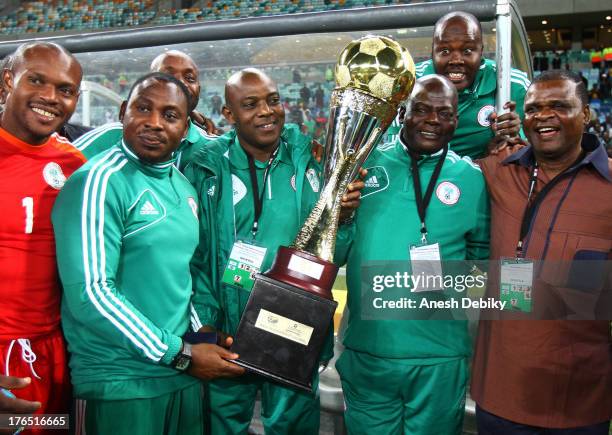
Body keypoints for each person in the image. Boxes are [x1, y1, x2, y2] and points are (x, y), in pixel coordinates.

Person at [52, 73, 244, 435]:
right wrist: (180, 354)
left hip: (177, 375)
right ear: (124, 112)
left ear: (186, 128)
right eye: (143, 108)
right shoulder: (100, 180)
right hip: (120, 381)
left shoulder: (183, 186)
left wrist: (198, 331)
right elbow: (91, 294)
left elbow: (178, 277)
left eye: (170, 115)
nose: (154, 122)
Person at [184, 68, 362, 435]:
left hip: (292, 328)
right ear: (229, 115)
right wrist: (204, 324)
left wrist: (342, 219)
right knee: (221, 426)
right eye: (250, 105)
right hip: (225, 330)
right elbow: (195, 256)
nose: (266, 111)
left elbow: (334, 256)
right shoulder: (206, 166)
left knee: (292, 425)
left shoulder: (310, 161)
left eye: (273, 100)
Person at [334, 75, 490, 435]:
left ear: (456, 120)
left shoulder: (472, 179)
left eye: (444, 113)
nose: (432, 120)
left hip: (439, 357)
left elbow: (481, 262)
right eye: (421, 110)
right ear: (402, 113)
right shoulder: (364, 164)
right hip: (368, 351)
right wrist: (341, 218)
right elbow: (335, 255)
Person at [471, 70, 612, 434]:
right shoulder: (500, 171)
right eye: (533, 108)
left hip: (578, 404)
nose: (543, 115)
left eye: (560, 106)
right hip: (499, 397)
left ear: (587, 114)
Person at [0, 42, 85, 429]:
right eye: (36, 81)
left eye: (65, 90)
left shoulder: (75, 164)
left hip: (53, 354)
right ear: (8, 82)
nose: (51, 97)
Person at [391, 11, 530, 159]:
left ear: (481, 51)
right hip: (418, 173)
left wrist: (515, 135)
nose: (456, 60)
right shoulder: (408, 83)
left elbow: (536, 151)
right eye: (445, 51)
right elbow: (391, 150)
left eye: (467, 51)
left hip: (481, 175)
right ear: (432, 52)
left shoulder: (510, 84)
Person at [74, 50, 217, 169]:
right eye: (168, 75)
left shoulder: (213, 148)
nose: (179, 82)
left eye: (190, 78)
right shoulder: (111, 136)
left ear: (199, 89)